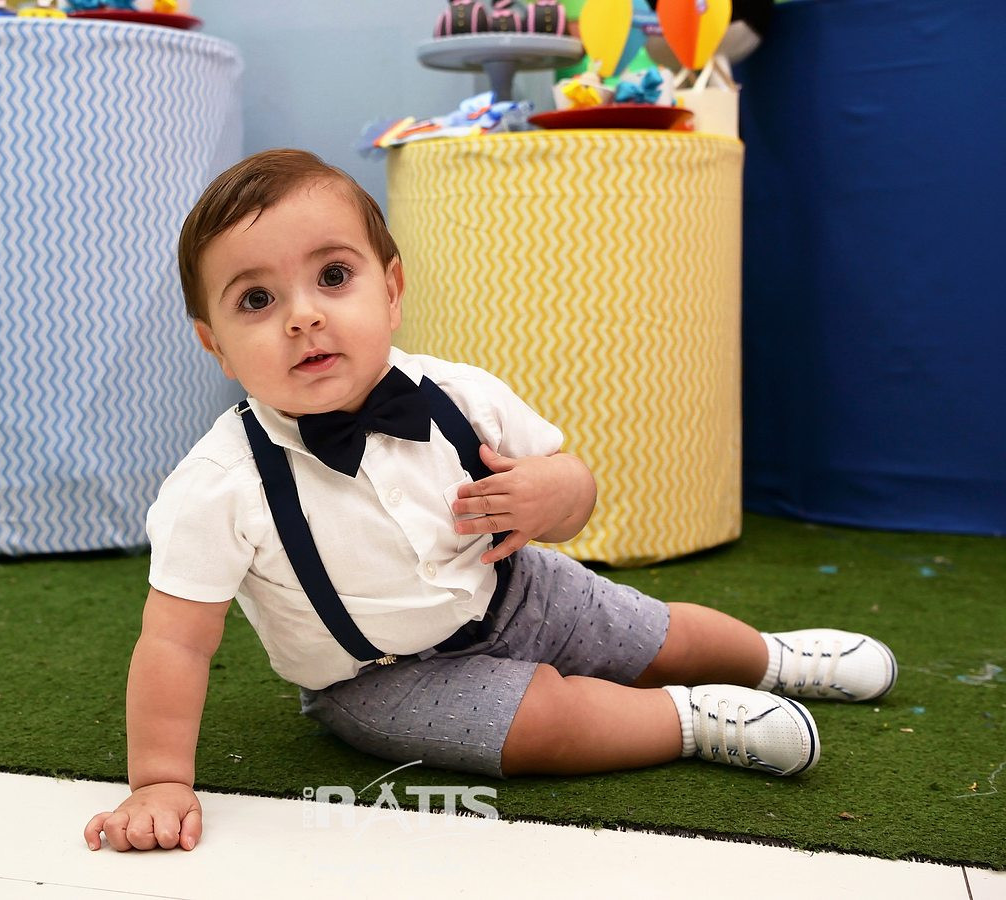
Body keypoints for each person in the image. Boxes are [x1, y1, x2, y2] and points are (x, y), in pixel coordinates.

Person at [84, 148, 898, 853]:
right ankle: (690, 721)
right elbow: (176, 643)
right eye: (255, 300)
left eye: (333, 276)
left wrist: (559, 491)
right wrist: (159, 781)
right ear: (215, 345)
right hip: (381, 678)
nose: (303, 316)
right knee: (546, 723)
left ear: (391, 290)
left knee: (658, 632)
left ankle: (770, 659)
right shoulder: (218, 485)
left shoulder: (458, 393)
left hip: (517, 590)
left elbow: (572, 492)